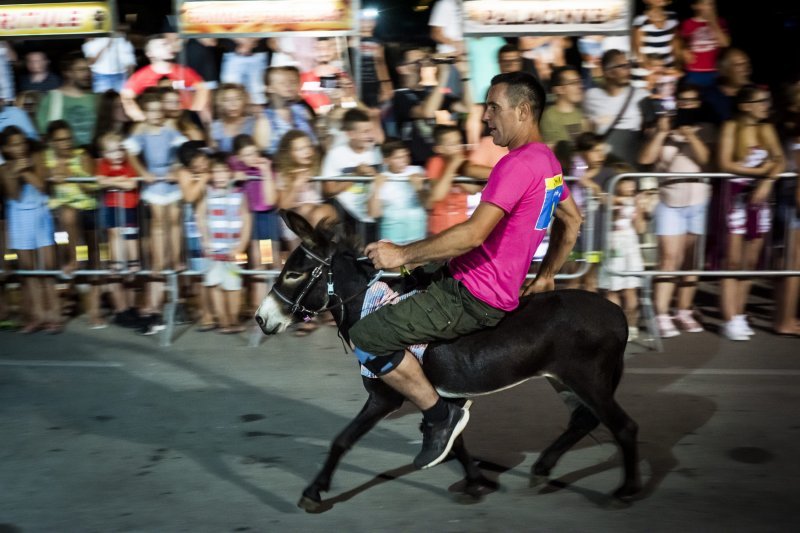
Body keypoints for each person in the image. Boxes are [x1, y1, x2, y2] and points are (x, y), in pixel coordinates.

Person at [351, 72, 582, 469]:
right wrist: (546, 274)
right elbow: (573, 221)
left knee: (367, 336)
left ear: (523, 111)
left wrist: (402, 254)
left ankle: (441, 415)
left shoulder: (517, 165)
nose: (486, 115)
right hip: (465, 276)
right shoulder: (547, 161)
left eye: (494, 107)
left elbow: (473, 235)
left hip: (473, 295)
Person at [639, 83, 711, 338]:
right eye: (683, 101)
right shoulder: (662, 127)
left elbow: (706, 159)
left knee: (692, 261)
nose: (687, 105)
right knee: (669, 259)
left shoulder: (705, 129)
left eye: (692, 101)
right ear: (676, 103)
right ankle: (661, 313)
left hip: (698, 202)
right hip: (669, 202)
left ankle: (684, 310)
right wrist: (661, 134)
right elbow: (646, 159)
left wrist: (690, 135)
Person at [717, 85, 785, 341]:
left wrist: (767, 181)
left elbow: (779, 158)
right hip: (735, 196)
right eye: (760, 101)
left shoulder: (766, 128)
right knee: (732, 261)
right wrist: (760, 173)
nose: (765, 105)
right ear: (746, 105)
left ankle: (740, 312)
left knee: (750, 261)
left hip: (760, 198)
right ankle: (729, 317)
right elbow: (724, 162)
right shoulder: (731, 127)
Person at [0, 125, 62, 333]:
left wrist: (24, 170)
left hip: (40, 214)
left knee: (47, 269)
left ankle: (53, 316)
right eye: (15, 144)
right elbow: (14, 195)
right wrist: (13, 171)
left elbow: (41, 185)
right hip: (18, 218)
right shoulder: (4, 167)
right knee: (28, 272)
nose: (20, 147)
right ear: (6, 149)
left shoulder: (36, 156)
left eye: (22, 142)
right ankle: (36, 317)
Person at [195, 155, 252, 334]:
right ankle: (223, 321)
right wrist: (205, 240)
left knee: (234, 285)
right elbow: (200, 216)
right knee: (214, 285)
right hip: (213, 251)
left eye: (223, 171)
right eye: (215, 172)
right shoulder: (208, 194)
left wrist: (242, 245)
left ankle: (233, 319)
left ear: (230, 173)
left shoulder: (239, 194)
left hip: (234, 250)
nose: (219, 176)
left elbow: (246, 219)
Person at [228, 133, 280, 315]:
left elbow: (268, 200)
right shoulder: (234, 168)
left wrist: (265, 173)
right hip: (249, 220)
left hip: (265, 218)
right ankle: (259, 305)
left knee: (268, 261)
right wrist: (235, 175)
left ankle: (273, 304)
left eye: (254, 153)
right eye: (247, 155)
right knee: (256, 263)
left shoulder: (264, 168)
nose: (252, 158)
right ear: (239, 157)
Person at [95, 132, 141, 327]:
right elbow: (99, 180)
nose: (118, 154)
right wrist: (117, 182)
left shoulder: (128, 164)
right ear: (105, 153)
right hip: (112, 207)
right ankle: (116, 262)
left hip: (129, 206)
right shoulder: (104, 164)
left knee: (131, 235)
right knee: (114, 233)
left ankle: (133, 262)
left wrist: (114, 182)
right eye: (113, 150)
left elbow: (131, 183)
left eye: (120, 149)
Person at [43, 120, 97, 276]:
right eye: (60, 140)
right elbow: (41, 184)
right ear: (52, 143)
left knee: (69, 214)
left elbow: (92, 188)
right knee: (64, 216)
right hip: (55, 211)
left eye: (68, 138)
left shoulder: (82, 156)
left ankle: (76, 261)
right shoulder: (45, 158)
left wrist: (73, 175)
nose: (66, 143)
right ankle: (68, 271)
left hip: (85, 208)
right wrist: (50, 175)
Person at [598, 176, 649, 341]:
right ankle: (615, 326)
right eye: (627, 181)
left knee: (631, 289)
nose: (631, 185)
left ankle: (632, 325)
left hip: (630, 246)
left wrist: (639, 209)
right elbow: (607, 203)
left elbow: (640, 229)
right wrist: (622, 202)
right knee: (612, 289)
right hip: (612, 244)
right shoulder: (609, 199)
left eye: (632, 181)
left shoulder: (635, 201)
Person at [321, 108, 381, 242]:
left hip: (372, 214)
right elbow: (328, 190)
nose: (369, 135)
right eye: (365, 132)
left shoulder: (376, 153)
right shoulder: (336, 154)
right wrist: (356, 175)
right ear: (351, 134)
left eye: (370, 130)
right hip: (345, 216)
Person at [121, 34, 209, 123]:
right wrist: (142, 118)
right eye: (162, 45)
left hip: (181, 121)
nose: (168, 47)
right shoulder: (141, 76)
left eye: (167, 44)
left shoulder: (184, 72)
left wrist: (194, 109)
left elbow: (202, 88)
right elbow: (126, 98)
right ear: (150, 53)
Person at [584, 50, 650, 168]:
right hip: (604, 166)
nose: (628, 70)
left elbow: (650, 131)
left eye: (628, 65)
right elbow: (587, 128)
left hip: (631, 164)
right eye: (622, 66)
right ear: (609, 72)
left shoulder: (641, 96)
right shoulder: (591, 96)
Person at [425, 124, 483, 235]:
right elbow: (438, 195)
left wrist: (455, 173)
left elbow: (473, 189)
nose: (458, 146)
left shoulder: (465, 163)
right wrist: (452, 166)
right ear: (439, 148)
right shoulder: (435, 162)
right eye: (451, 144)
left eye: (459, 141)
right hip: (439, 228)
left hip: (461, 225)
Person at [367, 139, 428, 244]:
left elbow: (428, 205)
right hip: (392, 239)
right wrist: (376, 189)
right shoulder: (380, 179)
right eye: (398, 157)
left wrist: (419, 188)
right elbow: (374, 214)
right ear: (386, 160)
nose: (404, 160)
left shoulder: (418, 171)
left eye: (406, 155)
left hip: (418, 237)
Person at [35, 52, 97, 148]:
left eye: (89, 70)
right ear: (67, 73)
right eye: (81, 70)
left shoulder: (96, 98)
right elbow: (45, 134)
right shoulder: (52, 98)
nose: (87, 74)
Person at [262, 66, 318, 156]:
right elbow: (265, 154)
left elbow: (315, 140)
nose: (288, 85)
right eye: (282, 83)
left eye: (290, 82)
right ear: (270, 88)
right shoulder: (265, 120)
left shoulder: (302, 110)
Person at [680, 0, 729, 89]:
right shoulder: (687, 23)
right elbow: (684, 45)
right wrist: (684, 50)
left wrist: (712, 22)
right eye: (705, 3)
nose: (710, 6)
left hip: (716, 72)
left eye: (712, 3)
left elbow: (725, 43)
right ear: (695, 6)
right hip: (694, 71)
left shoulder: (720, 21)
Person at [540, 66, 590, 149]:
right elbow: (557, 151)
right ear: (559, 90)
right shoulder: (549, 117)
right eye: (573, 83)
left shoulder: (582, 113)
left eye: (579, 82)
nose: (579, 86)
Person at [210, 84, 268, 152]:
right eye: (227, 100)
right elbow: (213, 152)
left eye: (237, 99)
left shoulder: (252, 123)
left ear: (243, 101)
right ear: (220, 104)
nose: (233, 104)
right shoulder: (216, 126)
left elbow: (261, 149)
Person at [219, 38, 269, 107]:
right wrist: (248, 42)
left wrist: (243, 41)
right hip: (257, 49)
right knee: (258, 92)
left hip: (233, 50)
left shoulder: (229, 83)